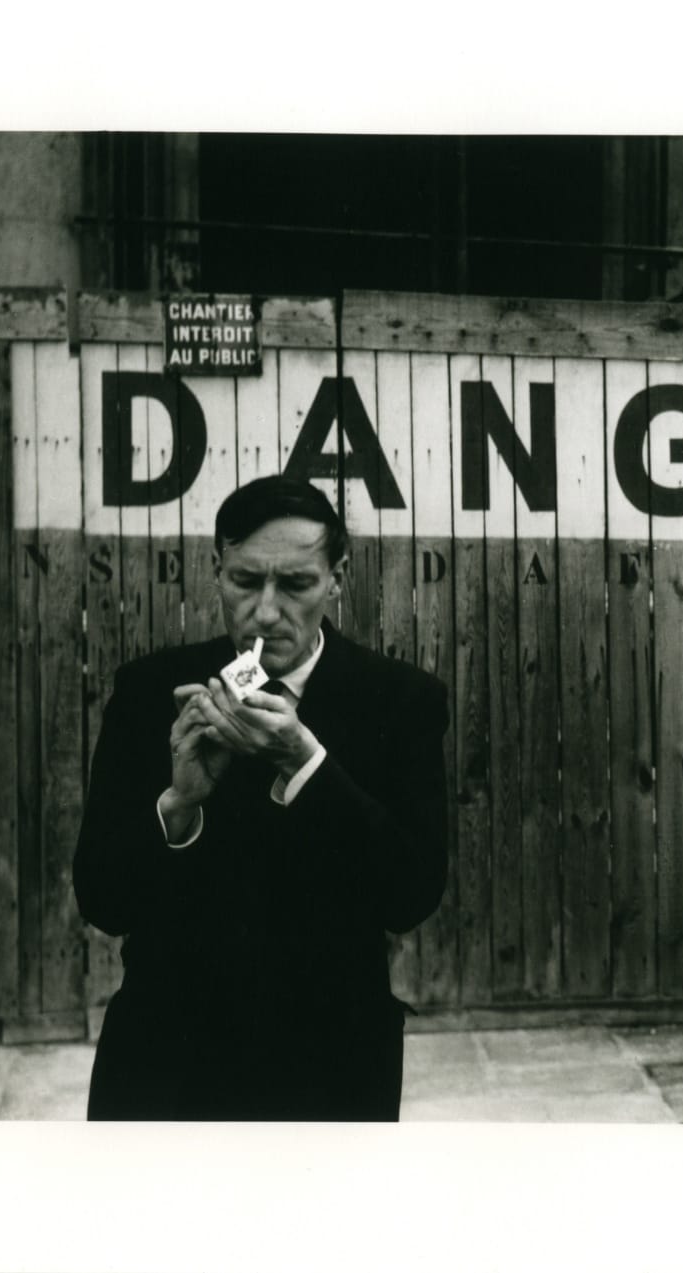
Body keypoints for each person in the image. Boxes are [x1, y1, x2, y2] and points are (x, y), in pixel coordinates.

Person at [73, 476, 448, 1120]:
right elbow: (103, 901)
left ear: (337, 578)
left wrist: (307, 762)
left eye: (296, 585)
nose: (267, 612)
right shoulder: (149, 692)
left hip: (331, 1069)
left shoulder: (401, 700)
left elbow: (410, 895)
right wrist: (178, 806)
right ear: (216, 571)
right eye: (245, 581)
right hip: (167, 1067)